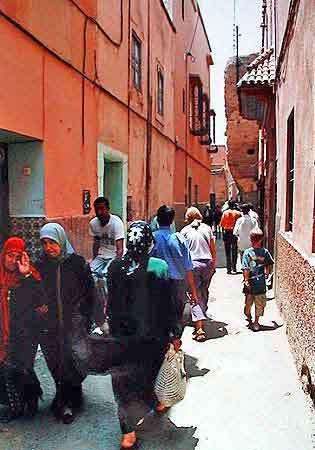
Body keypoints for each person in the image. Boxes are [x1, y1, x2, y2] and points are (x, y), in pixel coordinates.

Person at [106, 221, 182, 449]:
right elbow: (171, 304)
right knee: (149, 375)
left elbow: (111, 303)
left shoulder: (114, 266)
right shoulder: (158, 266)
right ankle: (157, 402)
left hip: (121, 337)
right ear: (149, 242)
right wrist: (175, 332)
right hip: (152, 338)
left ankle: (128, 433)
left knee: (122, 382)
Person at [36, 223, 95, 424]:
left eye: (52, 242)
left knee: (74, 361)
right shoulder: (40, 266)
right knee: (55, 362)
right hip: (50, 326)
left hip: (74, 324)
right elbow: (33, 292)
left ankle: (69, 398)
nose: (48, 248)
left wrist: (89, 318)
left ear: (61, 241)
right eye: (44, 243)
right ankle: (65, 399)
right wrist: (39, 305)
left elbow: (90, 292)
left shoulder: (77, 263)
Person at [0, 237, 47, 420]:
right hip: (4, 331)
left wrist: (26, 275)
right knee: (5, 368)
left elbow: (40, 300)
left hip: (25, 331)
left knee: (23, 367)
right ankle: (15, 406)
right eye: (9, 255)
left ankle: (32, 399)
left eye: (17, 256)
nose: (12, 260)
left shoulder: (29, 275)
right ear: (3, 255)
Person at [151, 205, 198, 330]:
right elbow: (188, 267)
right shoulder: (180, 239)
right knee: (176, 316)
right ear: (172, 220)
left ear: (157, 219)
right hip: (177, 284)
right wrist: (193, 292)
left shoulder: (152, 238)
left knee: (158, 315)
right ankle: (174, 342)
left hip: (157, 281)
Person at [181, 207, 216, 342]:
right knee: (203, 290)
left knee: (194, 294)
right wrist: (213, 264)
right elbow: (212, 248)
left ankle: (199, 327)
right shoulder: (207, 228)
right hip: (207, 264)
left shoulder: (184, 231)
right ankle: (201, 313)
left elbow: (183, 252)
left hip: (193, 265)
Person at [89, 197, 125, 331]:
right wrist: (94, 260)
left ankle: (106, 308)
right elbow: (96, 243)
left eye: (102, 209)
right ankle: (95, 305)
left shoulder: (116, 223)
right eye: (97, 209)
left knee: (105, 278)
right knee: (90, 275)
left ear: (108, 209)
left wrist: (116, 266)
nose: (99, 212)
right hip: (101, 256)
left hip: (114, 255)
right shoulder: (93, 223)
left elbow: (120, 248)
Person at [242, 228, 274, 331]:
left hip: (254, 283)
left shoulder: (249, 253)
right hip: (255, 283)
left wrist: (246, 280)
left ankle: (255, 321)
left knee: (253, 303)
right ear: (261, 239)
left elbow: (246, 268)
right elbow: (269, 264)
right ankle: (250, 317)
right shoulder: (263, 252)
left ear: (250, 239)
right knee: (254, 304)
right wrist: (267, 273)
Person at [220, 200, 242, 274]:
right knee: (235, 250)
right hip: (235, 233)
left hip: (227, 232)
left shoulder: (225, 213)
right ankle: (234, 268)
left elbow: (222, 225)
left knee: (227, 251)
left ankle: (228, 268)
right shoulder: (238, 213)